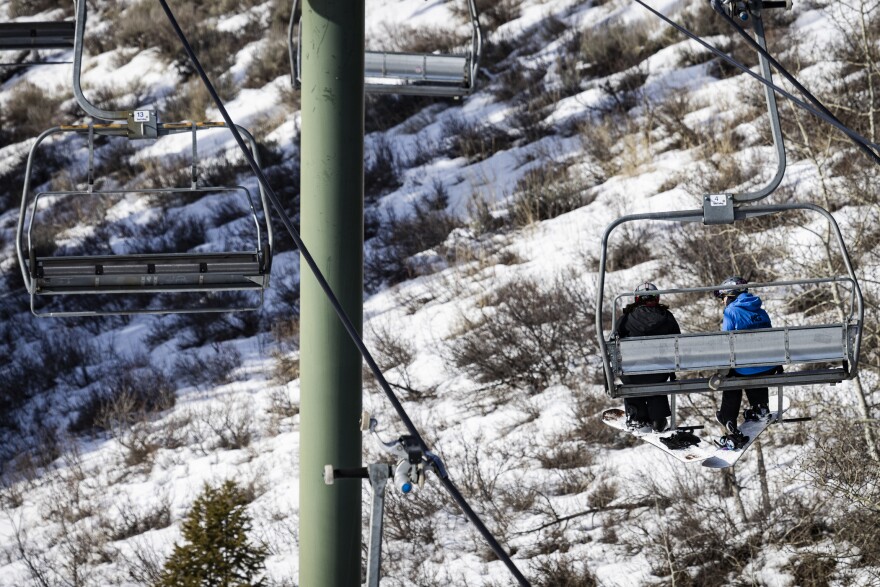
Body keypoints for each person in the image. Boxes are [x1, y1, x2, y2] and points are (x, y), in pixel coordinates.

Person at [712, 276, 781, 448]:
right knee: (757, 364)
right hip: (769, 366)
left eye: (723, 297)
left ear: (730, 295)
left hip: (747, 368)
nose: (723, 302)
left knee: (732, 377)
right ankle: (761, 406)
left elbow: (726, 343)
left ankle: (728, 417)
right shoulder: (761, 310)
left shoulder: (731, 312)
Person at [615, 282, 681, 432]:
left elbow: (614, 344)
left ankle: (637, 416)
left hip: (632, 374)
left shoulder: (626, 319)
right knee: (657, 376)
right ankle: (658, 418)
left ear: (637, 299)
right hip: (660, 373)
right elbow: (679, 342)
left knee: (632, 378)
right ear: (656, 299)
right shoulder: (667, 317)